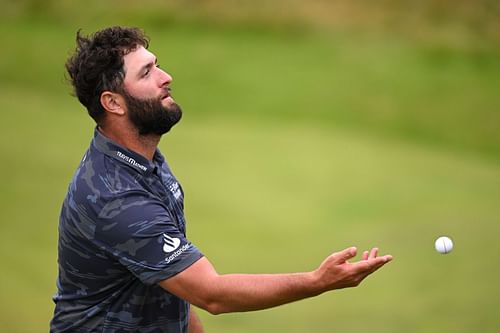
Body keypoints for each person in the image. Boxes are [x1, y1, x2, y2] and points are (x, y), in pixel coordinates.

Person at [50, 26, 393, 333]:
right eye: (147, 73)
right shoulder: (115, 198)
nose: (165, 77)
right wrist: (317, 281)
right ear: (113, 103)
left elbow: (168, 277)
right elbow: (211, 294)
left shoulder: (143, 159)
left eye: (157, 65)